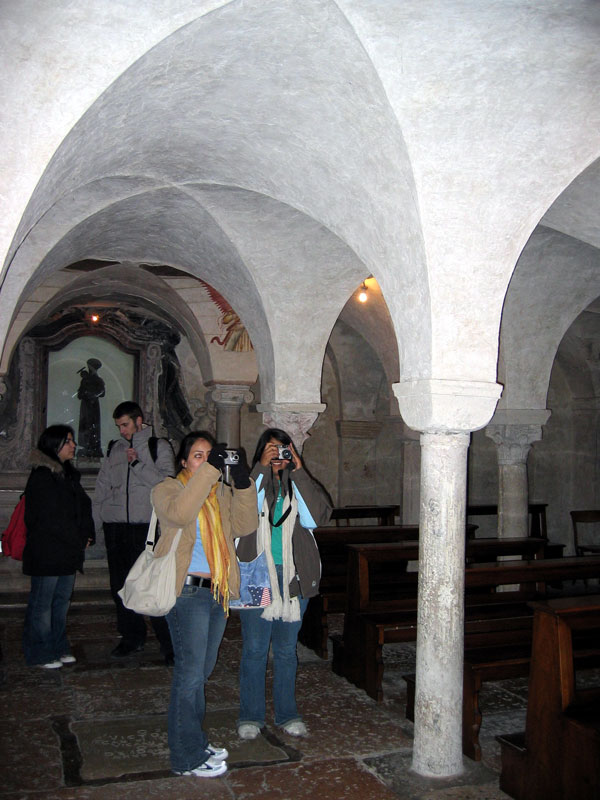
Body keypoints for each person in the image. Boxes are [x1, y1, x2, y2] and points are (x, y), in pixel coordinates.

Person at [151, 431, 258, 778]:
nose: (206, 461)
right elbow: (180, 514)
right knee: (189, 676)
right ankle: (186, 757)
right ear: (184, 461)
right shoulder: (167, 489)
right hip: (187, 595)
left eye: (211, 455)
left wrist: (241, 482)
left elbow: (246, 525)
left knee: (200, 674)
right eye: (198, 456)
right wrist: (212, 470)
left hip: (217, 592)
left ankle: (194, 740)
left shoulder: (219, 492)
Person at [236, 428, 331, 740]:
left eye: (283, 450)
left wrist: (299, 472)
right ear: (261, 452)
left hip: (294, 577)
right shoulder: (253, 482)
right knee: (254, 649)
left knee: (287, 650)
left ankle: (287, 714)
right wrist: (261, 469)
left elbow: (316, 518)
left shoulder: (300, 484)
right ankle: (251, 716)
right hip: (258, 575)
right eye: (271, 449)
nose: (278, 455)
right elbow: (242, 514)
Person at [92, 401, 175, 662]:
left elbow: (167, 485)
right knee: (120, 586)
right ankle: (131, 637)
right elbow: (102, 488)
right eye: (119, 426)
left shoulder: (159, 447)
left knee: (153, 584)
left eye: (125, 425)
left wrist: (138, 464)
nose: (122, 431)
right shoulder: (115, 448)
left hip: (146, 528)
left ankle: (168, 642)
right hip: (116, 527)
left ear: (139, 421)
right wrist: (95, 524)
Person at [22, 425, 95, 668]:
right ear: (54, 445)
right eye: (68, 441)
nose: (73, 445)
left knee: (61, 602)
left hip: (66, 551)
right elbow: (49, 518)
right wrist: (77, 538)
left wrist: (86, 533)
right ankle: (40, 652)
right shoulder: (43, 476)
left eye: (72, 441)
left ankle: (58, 646)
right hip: (48, 551)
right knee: (42, 604)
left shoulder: (67, 474)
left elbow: (82, 506)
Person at [76, 358, 105, 458]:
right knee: (85, 425)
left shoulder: (98, 380)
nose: (89, 368)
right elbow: (79, 394)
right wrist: (85, 390)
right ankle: (86, 446)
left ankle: (93, 447)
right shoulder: (85, 379)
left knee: (93, 425)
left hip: (93, 406)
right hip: (86, 406)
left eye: (90, 367)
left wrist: (91, 394)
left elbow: (102, 392)